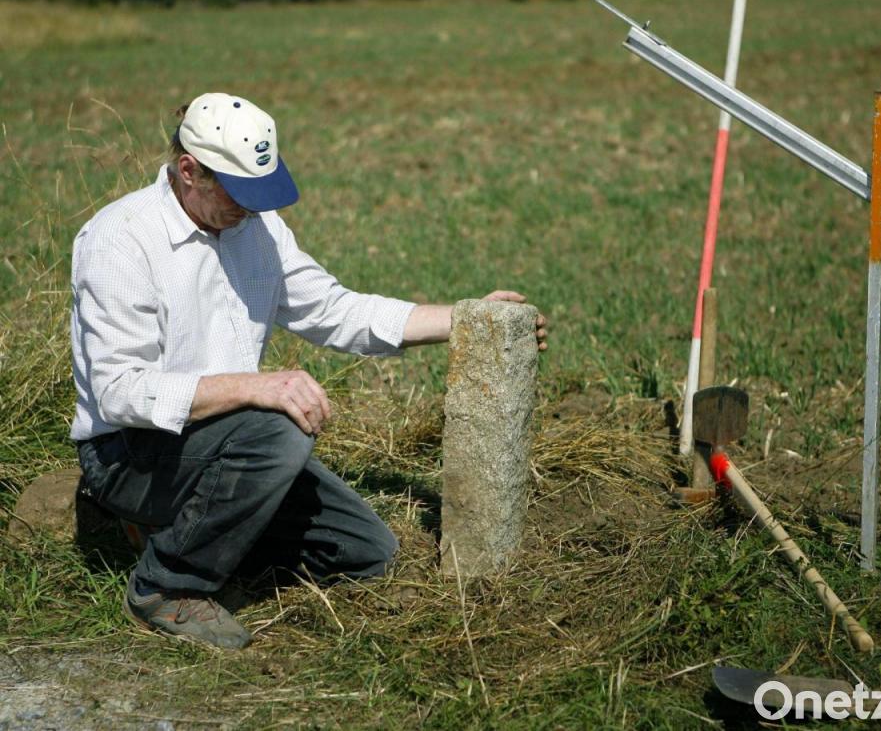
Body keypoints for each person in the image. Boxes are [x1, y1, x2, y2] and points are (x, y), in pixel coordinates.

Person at [70, 93, 548, 650]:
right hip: (130, 454)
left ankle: (185, 528)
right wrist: (257, 386)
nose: (249, 208)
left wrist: (464, 318)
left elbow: (335, 310)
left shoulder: (257, 229)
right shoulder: (120, 240)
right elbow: (120, 393)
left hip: (226, 445)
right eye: (237, 191)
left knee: (366, 552)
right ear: (189, 171)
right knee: (279, 431)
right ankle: (167, 585)